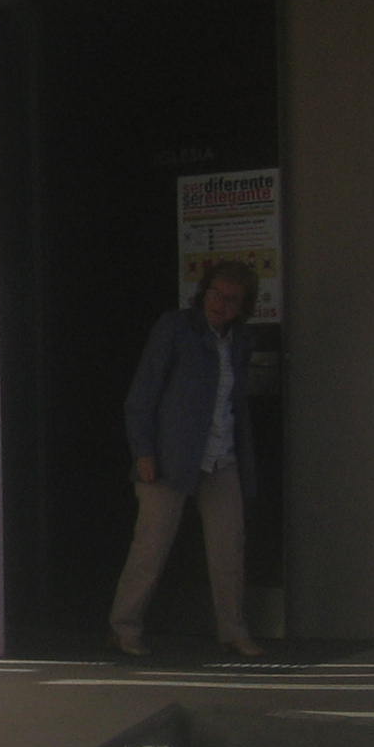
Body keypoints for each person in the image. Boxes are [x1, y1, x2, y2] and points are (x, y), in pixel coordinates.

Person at [108, 261, 265, 658]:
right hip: (170, 454)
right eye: (215, 294)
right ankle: (124, 626)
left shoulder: (241, 340)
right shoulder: (176, 328)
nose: (220, 304)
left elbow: (235, 402)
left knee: (229, 548)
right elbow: (144, 392)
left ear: (244, 306)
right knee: (151, 546)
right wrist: (143, 450)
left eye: (231, 299)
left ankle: (233, 630)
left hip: (221, 455)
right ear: (203, 292)